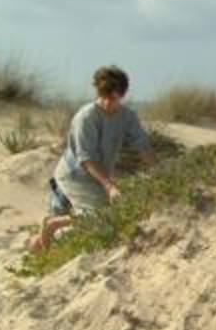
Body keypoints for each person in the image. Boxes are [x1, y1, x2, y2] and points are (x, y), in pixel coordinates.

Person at [31, 65, 156, 250]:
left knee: (103, 215)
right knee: (99, 216)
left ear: (122, 95)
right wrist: (110, 186)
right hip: (75, 176)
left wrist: (159, 171)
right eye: (104, 97)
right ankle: (51, 225)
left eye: (113, 98)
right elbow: (86, 158)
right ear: (98, 92)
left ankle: (40, 244)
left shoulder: (127, 116)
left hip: (98, 177)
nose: (108, 102)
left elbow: (143, 145)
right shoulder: (86, 117)